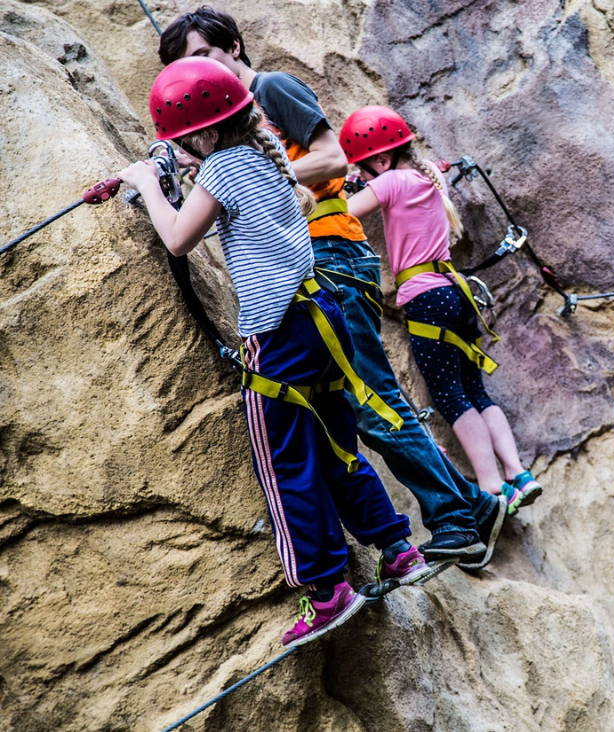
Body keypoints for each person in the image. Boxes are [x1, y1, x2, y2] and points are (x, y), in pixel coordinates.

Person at [158, 7, 506, 569]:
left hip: (332, 253)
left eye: (203, 56)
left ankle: (456, 520)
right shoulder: (226, 131)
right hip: (311, 263)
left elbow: (334, 158)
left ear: (236, 48)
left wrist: (246, 174)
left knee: (370, 400)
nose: (197, 72)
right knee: (352, 403)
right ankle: (469, 506)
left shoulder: (270, 89)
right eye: (184, 67)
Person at [119, 57, 434, 647]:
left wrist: (144, 181)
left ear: (205, 134)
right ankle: (395, 547)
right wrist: (186, 169)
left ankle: (324, 589)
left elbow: (179, 239)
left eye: (184, 139)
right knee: (338, 441)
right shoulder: (266, 158)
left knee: (285, 462)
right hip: (323, 314)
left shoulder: (219, 171)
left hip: (278, 331)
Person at [340, 106, 545, 513]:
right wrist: (359, 179)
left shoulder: (392, 180)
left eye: (363, 168)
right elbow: (418, 173)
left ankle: (491, 489)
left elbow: (340, 214)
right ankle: (517, 474)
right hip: (455, 292)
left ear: (381, 159)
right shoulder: (429, 176)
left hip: (425, 299)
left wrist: (342, 188)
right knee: (476, 391)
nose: (361, 176)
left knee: (451, 397)